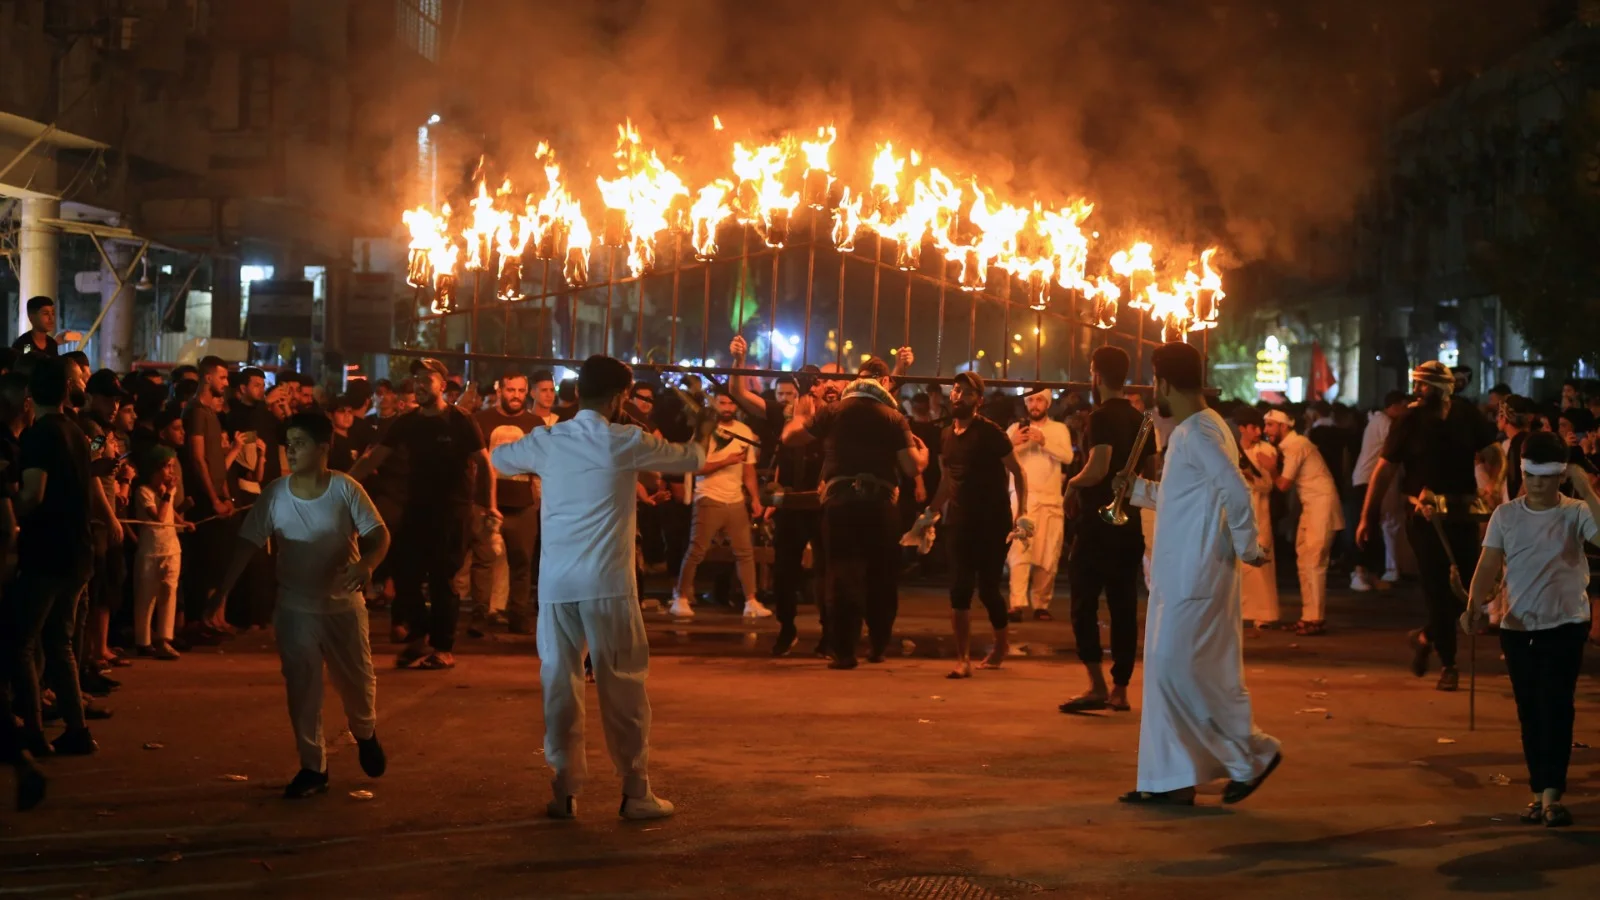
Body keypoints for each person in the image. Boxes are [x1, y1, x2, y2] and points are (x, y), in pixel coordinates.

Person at [491, 354, 716, 820]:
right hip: (609, 582)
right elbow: (693, 457)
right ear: (619, 398)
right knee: (624, 686)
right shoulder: (625, 440)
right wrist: (704, 420)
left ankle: (564, 789)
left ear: (577, 394)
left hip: (556, 584)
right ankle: (636, 793)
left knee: (560, 684)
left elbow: (499, 459)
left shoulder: (550, 441)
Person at [1114, 342, 1278, 807]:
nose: (1152, 391)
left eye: (1153, 382)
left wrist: (1248, 546)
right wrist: (1142, 491)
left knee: (1180, 675)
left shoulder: (1194, 432)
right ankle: (1173, 781)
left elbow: (1233, 487)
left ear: (1163, 383)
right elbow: (1190, 497)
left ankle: (1251, 757)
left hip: (1194, 577)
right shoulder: (1203, 428)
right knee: (1185, 675)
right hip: (1189, 575)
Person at [216, 412, 390, 798]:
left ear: (324, 448)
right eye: (289, 443)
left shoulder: (345, 489)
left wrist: (366, 563)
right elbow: (247, 543)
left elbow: (379, 535)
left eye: (301, 443)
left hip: (344, 606)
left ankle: (364, 732)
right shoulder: (275, 493)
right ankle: (314, 768)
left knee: (358, 683)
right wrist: (221, 593)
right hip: (295, 608)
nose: (292, 451)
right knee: (303, 689)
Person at [1463, 431, 1596, 828]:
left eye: (1547, 477)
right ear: (1521, 472)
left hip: (1567, 623)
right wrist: (1473, 604)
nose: (1537, 484)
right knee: (1529, 712)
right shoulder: (1506, 515)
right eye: (1531, 476)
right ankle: (1538, 793)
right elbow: (1488, 564)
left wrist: (1587, 486)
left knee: (1556, 707)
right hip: (1518, 626)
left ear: (1561, 476)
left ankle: (1553, 794)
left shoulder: (1576, 511)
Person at [2, 357, 123, 757]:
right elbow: (88, 476)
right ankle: (76, 728)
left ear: (31, 396)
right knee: (61, 642)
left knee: (22, 641)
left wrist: (9, 510)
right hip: (78, 550)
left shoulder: (39, 436)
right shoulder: (75, 431)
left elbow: (33, 494)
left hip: (46, 551)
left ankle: (33, 729)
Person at [1359, 360, 1503, 691]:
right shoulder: (1408, 419)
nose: (1417, 391)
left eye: (1423, 385)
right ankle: (1449, 665)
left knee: (1468, 587)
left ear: (1441, 388)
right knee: (1437, 589)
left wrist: (1492, 486)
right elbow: (1384, 470)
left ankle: (1427, 635)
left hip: (1463, 512)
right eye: (1416, 384)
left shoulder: (1466, 415)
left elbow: (1495, 452)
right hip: (1423, 517)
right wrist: (1368, 515)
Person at [350, 358, 496, 670]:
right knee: (406, 577)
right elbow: (373, 459)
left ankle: (443, 648)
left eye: (427, 379)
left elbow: (485, 465)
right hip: (415, 511)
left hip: (452, 512)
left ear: (443, 385)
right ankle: (418, 640)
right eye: (416, 378)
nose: (419, 384)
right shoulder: (408, 422)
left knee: (443, 581)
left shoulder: (461, 421)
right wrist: (341, 486)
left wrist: (489, 505)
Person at [782, 357, 927, 668]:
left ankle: (844, 651)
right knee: (881, 577)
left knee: (841, 574)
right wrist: (925, 457)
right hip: (880, 505)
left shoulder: (833, 412)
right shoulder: (893, 417)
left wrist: (801, 409)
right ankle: (877, 645)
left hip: (840, 504)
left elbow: (791, 437)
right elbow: (911, 466)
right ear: (885, 383)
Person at [1059, 346, 1153, 712]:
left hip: (1097, 524)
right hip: (1128, 524)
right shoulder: (1137, 417)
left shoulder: (1099, 417)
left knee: (1083, 604)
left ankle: (1097, 685)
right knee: (1124, 606)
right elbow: (1151, 473)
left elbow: (1098, 468)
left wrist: (1071, 485)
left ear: (1095, 373)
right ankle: (1121, 690)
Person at [925, 371, 1027, 679]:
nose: (959, 396)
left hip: (993, 523)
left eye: (967, 393)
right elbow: (947, 479)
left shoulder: (991, 433)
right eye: (956, 391)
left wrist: (1021, 514)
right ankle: (963, 658)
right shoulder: (945, 435)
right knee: (959, 589)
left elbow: (1018, 472)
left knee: (988, 590)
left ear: (978, 401)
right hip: (958, 522)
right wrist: (928, 513)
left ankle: (1000, 646)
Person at [670, 389, 770, 619]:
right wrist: (727, 461)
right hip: (708, 497)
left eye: (730, 403)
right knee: (696, 550)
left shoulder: (745, 432)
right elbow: (696, 466)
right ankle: (681, 597)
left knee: (745, 552)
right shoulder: (705, 431)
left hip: (734, 500)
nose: (726, 407)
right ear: (714, 404)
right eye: (721, 402)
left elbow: (749, 470)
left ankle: (751, 601)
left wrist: (754, 498)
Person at [467, 370, 554, 634]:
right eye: (510, 390)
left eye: (519, 390)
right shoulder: (480, 420)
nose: (515, 396)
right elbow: (471, 463)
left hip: (523, 503)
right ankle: (480, 615)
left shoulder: (536, 424)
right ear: (499, 391)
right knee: (483, 562)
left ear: (526, 392)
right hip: (484, 503)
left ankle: (519, 615)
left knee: (522, 561)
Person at [1264, 408, 1344, 635]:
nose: (1266, 430)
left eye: (1270, 425)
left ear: (1283, 426)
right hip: (1312, 506)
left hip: (1321, 507)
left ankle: (1315, 619)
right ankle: (1308, 616)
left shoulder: (1297, 445)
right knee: (1305, 561)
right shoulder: (1291, 446)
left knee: (1314, 562)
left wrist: (1270, 469)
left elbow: (1283, 485)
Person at [180, 355, 237, 633]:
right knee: (204, 561)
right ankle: (199, 620)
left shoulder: (211, 414)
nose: (225, 383)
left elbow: (216, 461)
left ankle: (213, 618)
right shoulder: (195, 412)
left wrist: (225, 495)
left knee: (219, 560)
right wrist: (213, 499)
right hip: (203, 498)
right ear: (208, 378)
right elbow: (198, 459)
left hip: (216, 495)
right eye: (223, 377)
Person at [1005, 388, 1072, 622]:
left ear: (1047, 403)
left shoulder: (1059, 429)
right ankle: (1016, 603)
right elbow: (1000, 459)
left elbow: (1068, 457)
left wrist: (1044, 441)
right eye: (1031, 400)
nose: (1034, 405)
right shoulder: (1014, 430)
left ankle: (1041, 604)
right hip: (1022, 500)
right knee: (1019, 552)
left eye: (1039, 400)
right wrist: (1013, 444)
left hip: (1051, 501)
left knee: (1048, 554)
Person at [130, 446, 187, 659]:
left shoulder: (163, 492)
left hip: (171, 549)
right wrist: (170, 493)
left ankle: (165, 640)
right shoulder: (144, 492)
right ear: (154, 469)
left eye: (173, 467)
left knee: (169, 594)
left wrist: (183, 522)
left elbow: (170, 512)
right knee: (146, 596)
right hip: (151, 551)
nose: (171, 472)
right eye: (167, 467)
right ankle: (143, 641)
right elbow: (160, 517)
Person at [1349, 391, 1409, 591]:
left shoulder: (1379, 420)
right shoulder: (1384, 423)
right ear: (1396, 405)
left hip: (1368, 480)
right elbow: (1397, 448)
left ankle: (1370, 574)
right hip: (1367, 480)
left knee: (1372, 528)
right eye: (1404, 406)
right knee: (1366, 528)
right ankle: (1358, 573)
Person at [1234, 407, 1282, 628]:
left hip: (1259, 511)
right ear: (1242, 429)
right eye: (1253, 427)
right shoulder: (1231, 451)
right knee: (1239, 565)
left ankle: (1265, 612)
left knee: (1260, 562)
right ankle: (1240, 611)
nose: (1258, 431)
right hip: (1237, 511)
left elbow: (1268, 486)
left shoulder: (1266, 450)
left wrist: (1251, 475)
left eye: (1259, 427)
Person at [11, 296, 77, 357]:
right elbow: (28, 364)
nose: (51, 318)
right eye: (46, 314)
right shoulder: (26, 343)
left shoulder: (52, 343)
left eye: (53, 313)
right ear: (31, 318)